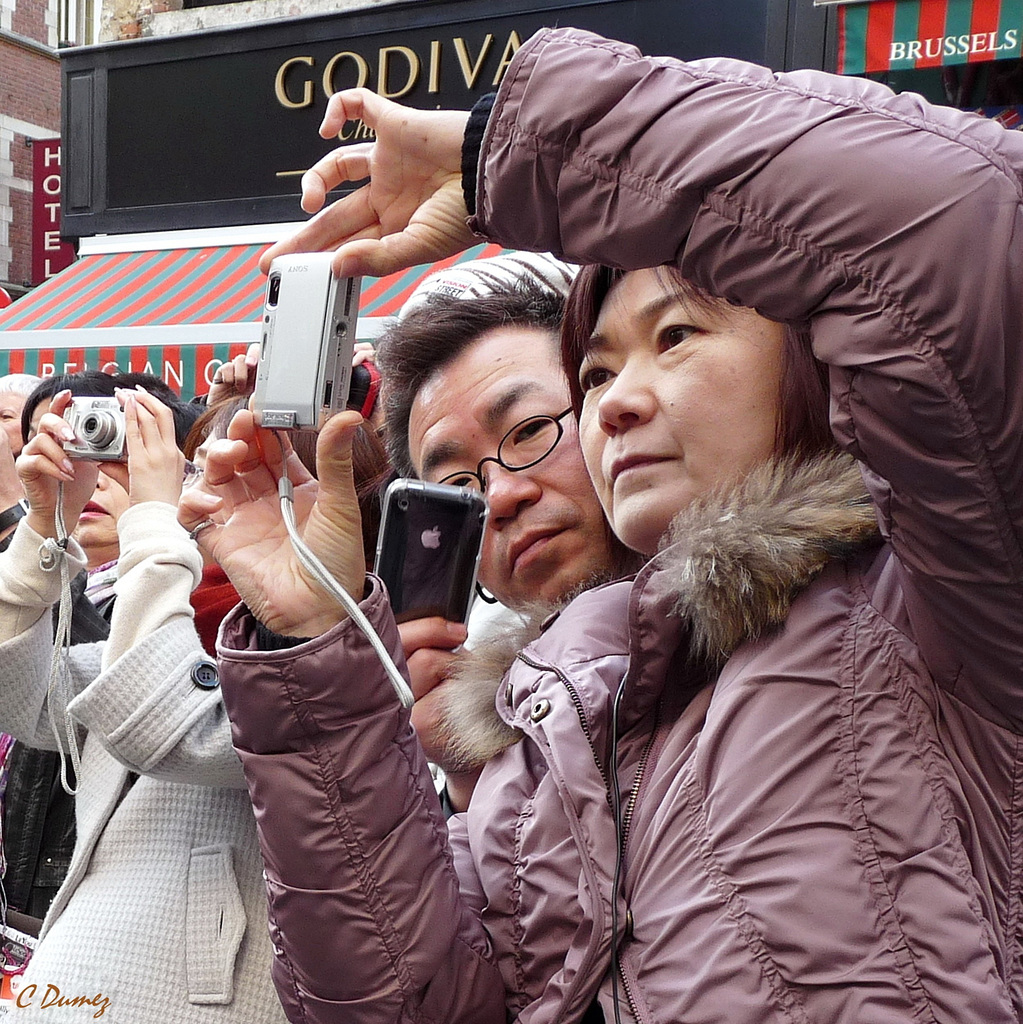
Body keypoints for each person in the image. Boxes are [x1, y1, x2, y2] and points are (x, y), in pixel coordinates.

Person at [187, 26, 1023, 1024]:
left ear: (809, 355)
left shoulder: (942, 592)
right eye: (596, 375)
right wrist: (317, 653)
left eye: (673, 336)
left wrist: (510, 151)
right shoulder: (538, 744)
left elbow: (960, 228)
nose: (618, 402)